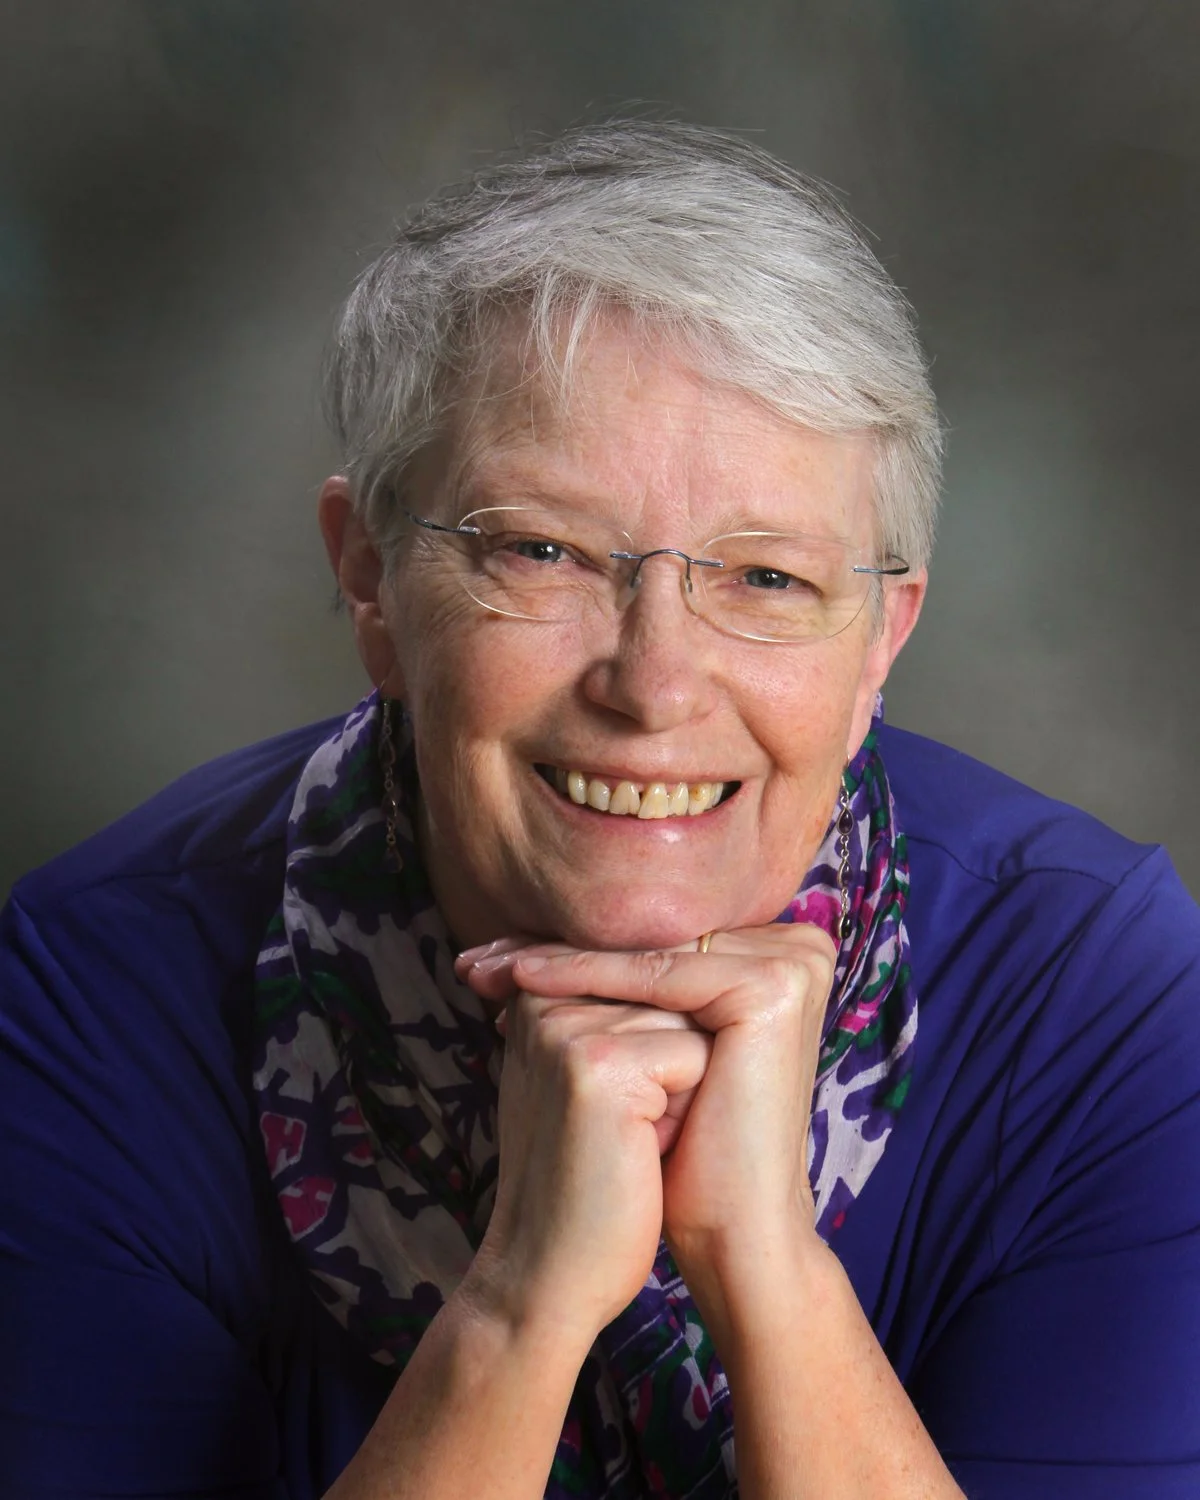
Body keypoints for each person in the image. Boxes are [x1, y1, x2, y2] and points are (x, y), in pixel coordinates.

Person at [1, 120, 1198, 1500]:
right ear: (371, 580)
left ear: (881, 637)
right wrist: (521, 1303)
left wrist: (767, 1268)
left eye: (766, 578)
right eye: (543, 551)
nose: (654, 683)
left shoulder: (1100, 999)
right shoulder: (89, 997)